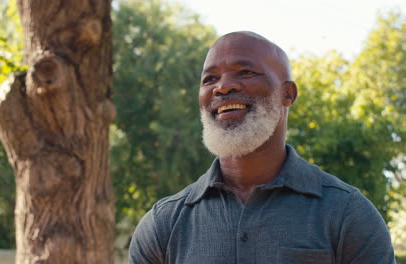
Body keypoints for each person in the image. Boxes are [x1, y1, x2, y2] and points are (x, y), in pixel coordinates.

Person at [129, 31, 396, 264]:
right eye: (209, 79)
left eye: (245, 72)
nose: (223, 87)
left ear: (287, 94)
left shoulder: (349, 215)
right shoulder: (163, 225)